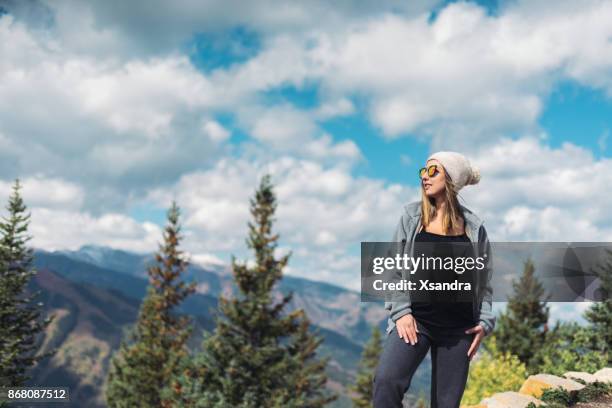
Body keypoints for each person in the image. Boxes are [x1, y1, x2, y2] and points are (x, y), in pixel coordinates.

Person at [372, 151, 496, 408]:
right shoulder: (412, 218)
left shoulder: (474, 227)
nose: (424, 177)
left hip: (459, 329)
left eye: (433, 171)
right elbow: (392, 267)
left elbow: (485, 281)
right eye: (423, 171)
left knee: (446, 404)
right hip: (416, 322)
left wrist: (484, 322)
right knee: (386, 382)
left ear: (451, 179)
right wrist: (402, 312)